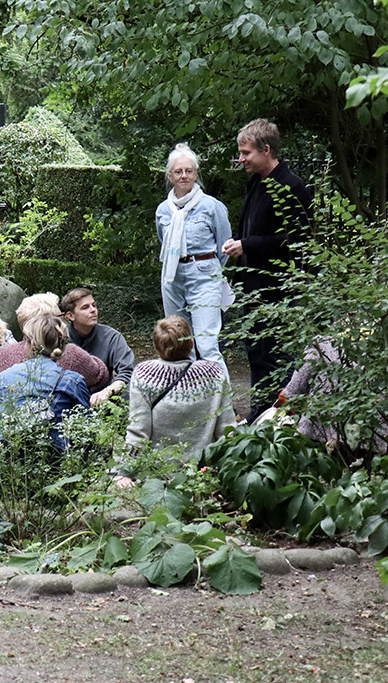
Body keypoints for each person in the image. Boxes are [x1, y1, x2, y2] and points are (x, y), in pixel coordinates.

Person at [222, 118, 313, 420]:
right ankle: (261, 412)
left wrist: (247, 245)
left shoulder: (293, 186)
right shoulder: (255, 184)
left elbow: (296, 242)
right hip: (251, 285)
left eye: (246, 152)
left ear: (266, 149)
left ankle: (283, 417)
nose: (241, 158)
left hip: (277, 288)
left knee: (276, 354)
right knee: (256, 352)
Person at [117, 316, 234, 487]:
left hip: (158, 476)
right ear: (191, 343)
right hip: (204, 473)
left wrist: (124, 472)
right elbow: (227, 429)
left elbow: (138, 431)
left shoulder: (143, 375)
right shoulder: (214, 373)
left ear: (156, 347)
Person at [156, 143, 231, 375]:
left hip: (204, 276)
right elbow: (163, 241)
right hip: (172, 277)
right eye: (178, 172)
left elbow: (224, 247)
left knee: (207, 345)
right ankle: (188, 401)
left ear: (196, 173)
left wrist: (205, 266)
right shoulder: (163, 211)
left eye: (188, 171)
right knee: (178, 343)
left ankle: (223, 406)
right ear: (170, 176)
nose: (184, 176)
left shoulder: (212, 206)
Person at [0, 315, 91, 452]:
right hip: (54, 459)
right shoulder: (73, 381)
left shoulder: (4, 377)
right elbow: (88, 430)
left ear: (31, 345)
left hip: (6, 457)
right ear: (63, 346)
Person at [0, 292, 108, 389]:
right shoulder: (71, 354)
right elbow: (100, 376)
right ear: (51, 322)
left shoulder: (2, 354)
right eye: (60, 316)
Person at [60, 287, 135, 406]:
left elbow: (127, 371)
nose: (93, 310)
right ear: (71, 316)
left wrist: (108, 391)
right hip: (66, 403)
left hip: (105, 402)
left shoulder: (111, 337)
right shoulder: (60, 339)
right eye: (85, 307)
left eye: (94, 305)